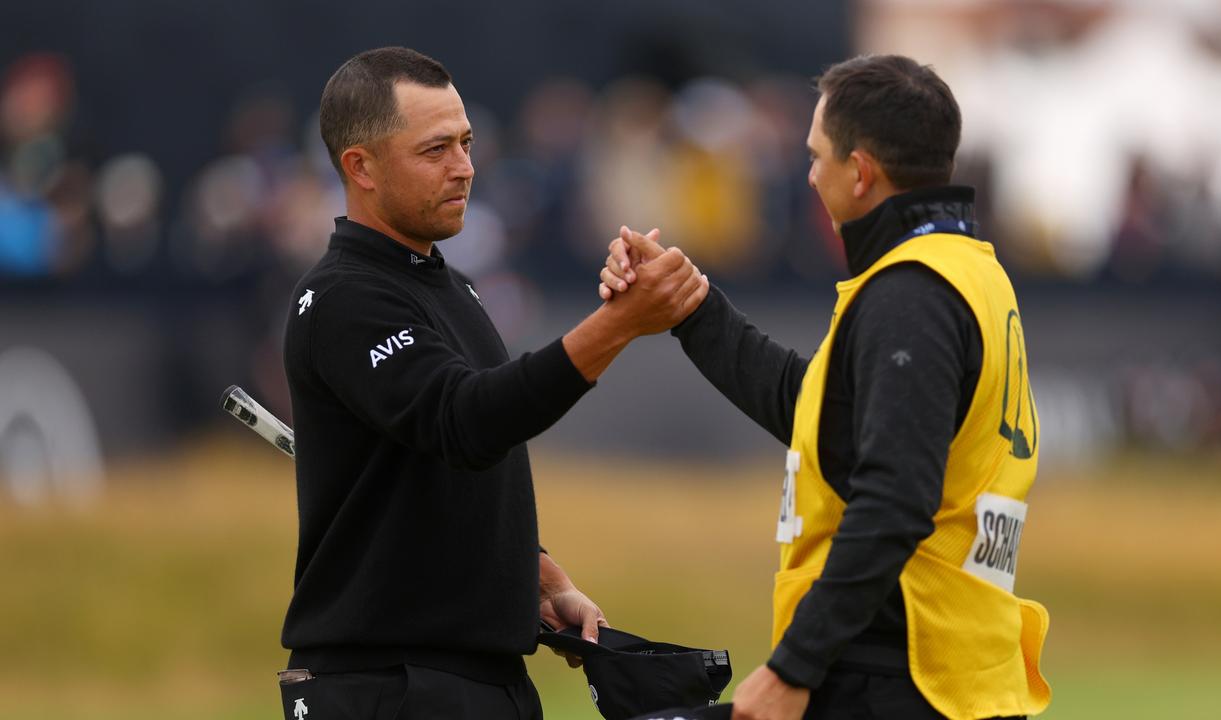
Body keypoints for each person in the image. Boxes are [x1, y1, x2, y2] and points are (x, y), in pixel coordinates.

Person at [600, 55, 1050, 720]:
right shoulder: (966, 273)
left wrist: (793, 666)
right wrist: (692, 307)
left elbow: (894, 500)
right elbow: (818, 413)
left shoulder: (911, 294)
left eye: (817, 157)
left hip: (899, 672)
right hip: (944, 667)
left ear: (861, 171)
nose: (809, 175)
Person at [278, 47, 708, 720]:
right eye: (434, 150)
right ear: (359, 166)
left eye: (467, 142)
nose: (465, 167)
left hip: (482, 677)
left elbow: (443, 466)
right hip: (389, 687)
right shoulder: (345, 299)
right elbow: (466, 421)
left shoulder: (451, 288)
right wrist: (619, 326)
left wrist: (528, 572)